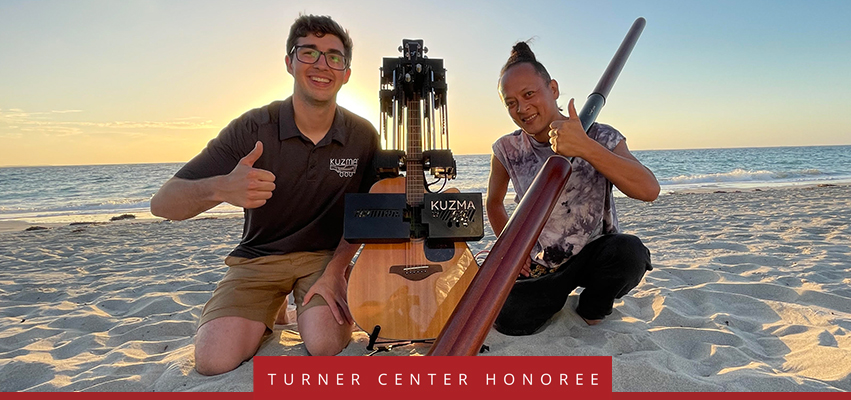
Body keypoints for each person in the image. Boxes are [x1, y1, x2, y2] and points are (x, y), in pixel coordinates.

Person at [150, 14, 379, 375]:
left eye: (334, 57)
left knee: (324, 344)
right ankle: (273, 306)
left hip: (323, 258)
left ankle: (293, 305)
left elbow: (369, 213)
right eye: (309, 53)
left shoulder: (363, 134)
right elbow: (162, 204)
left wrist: (337, 271)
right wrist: (221, 188)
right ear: (289, 62)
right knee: (213, 361)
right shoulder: (253, 128)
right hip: (258, 258)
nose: (322, 65)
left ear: (346, 72)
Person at [486, 41, 659, 336]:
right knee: (510, 320)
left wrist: (587, 147)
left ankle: (592, 308)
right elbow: (494, 203)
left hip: (596, 253)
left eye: (529, 94)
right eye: (511, 102)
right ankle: (553, 297)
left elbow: (648, 190)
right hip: (544, 262)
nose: (522, 108)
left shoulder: (600, 135)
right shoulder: (507, 149)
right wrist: (515, 249)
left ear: (552, 89)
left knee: (630, 253)